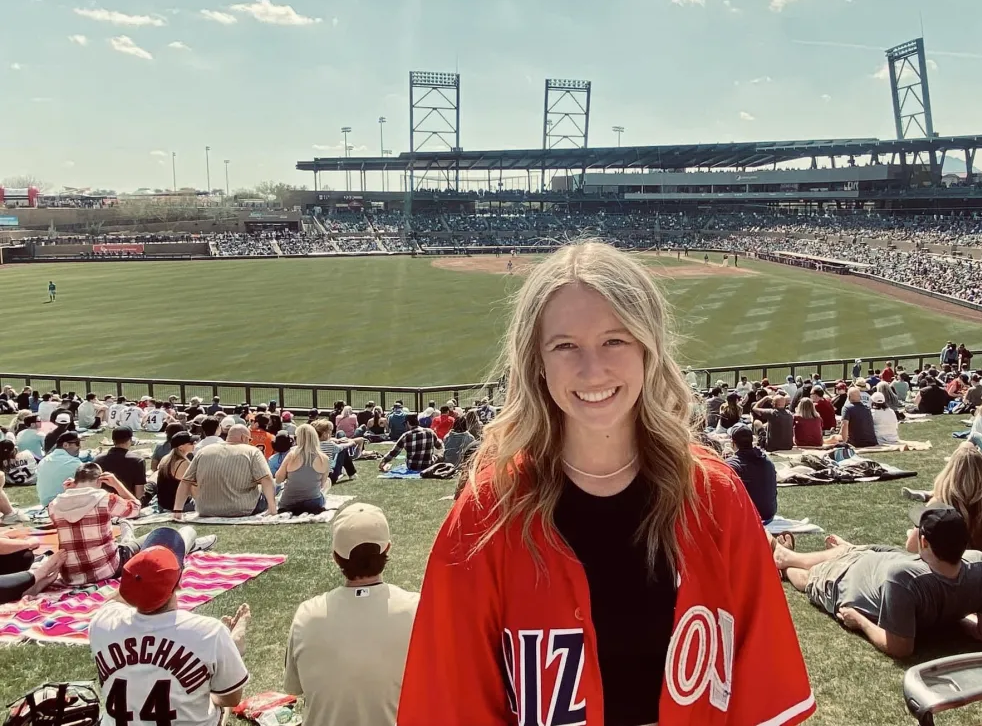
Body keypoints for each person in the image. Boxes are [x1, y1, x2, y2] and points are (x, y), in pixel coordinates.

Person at [398, 242, 814, 726]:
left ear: (647, 348)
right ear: (537, 361)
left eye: (615, 340)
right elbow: (451, 702)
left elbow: (761, 692)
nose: (591, 370)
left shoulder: (714, 496)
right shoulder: (489, 510)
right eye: (565, 345)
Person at [775, 506, 982, 659]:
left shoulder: (906, 578)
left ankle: (784, 564)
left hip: (846, 579)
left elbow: (899, 648)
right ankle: (836, 550)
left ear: (924, 543)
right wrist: (954, 616)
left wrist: (861, 621)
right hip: (880, 558)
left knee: (810, 577)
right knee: (862, 551)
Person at [89, 528, 252, 726]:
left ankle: (230, 653)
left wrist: (139, 572)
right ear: (180, 584)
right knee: (219, 705)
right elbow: (231, 699)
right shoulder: (208, 632)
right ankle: (233, 651)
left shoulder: (101, 623)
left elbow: (114, 600)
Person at [284, 504, 419, 726]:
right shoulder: (416, 609)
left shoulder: (307, 614)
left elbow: (294, 688)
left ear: (336, 557)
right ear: (387, 549)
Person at [47, 463, 143, 586]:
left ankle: (127, 532)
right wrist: (116, 484)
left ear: (76, 481)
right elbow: (135, 508)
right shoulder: (106, 499)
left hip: (71, 576)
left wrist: (70, 491)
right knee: (149, 538)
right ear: (99, 481)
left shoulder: (53, 505)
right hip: (107, 569)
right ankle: (127, 533)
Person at [910, 444, 982, 562]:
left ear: (949, 473)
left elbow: (911, 546)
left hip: (949, 573)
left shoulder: (938, 506)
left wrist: (912, 532)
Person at [174, 425, 278, 520]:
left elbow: (185, 481)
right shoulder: (252, 452)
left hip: (205, 509)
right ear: (244, 438)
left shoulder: (203, 451)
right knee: (270, 487)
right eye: (249, 439)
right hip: (242, 508)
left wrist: (178, 511)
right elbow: (266, 478)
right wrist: (272, 509)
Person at [725, 423, 777, 523]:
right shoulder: (767, 460)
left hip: (748, 519)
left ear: (732, 442)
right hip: (769, 515)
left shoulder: (731, 465)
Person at [276, 424, 330, 516]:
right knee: (328, 482)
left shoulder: (292, 455)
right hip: (313, 504)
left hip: (288, 503)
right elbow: (322, 484)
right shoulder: (324, 458)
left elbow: (278, 479)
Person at [95, 427, 147, 500]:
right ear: (130, 440)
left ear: (113, 441)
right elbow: (139, 494)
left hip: (103, 501)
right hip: (128, 503)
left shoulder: (98, 459)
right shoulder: (137, 460)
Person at [36, 431, 84, 506]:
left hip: (46, 504)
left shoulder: (43, 461)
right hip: (64, 505)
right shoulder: (75, 463)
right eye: (77, 443)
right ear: (65, 445)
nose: (80, 447)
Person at [155, 432, 197, 513]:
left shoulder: (165, 459)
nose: (194, 444)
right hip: (179, 506)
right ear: (181, 447)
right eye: (191, 443)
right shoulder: (183, 463)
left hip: (163, 504)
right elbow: (193, 489)